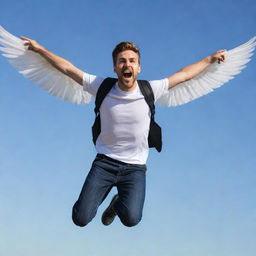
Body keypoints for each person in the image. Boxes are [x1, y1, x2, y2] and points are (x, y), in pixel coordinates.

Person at [18, 36, 225, 227]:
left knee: (131, 219)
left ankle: (117, 204)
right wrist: (39, 49)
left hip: (135, 168)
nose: (127, 64)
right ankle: (90, 203)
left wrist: (209, 59)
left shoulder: (151, 89)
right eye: (122, 61)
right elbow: (68, 69)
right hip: (105, 163)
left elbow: (184, 75)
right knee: (80, 219)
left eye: (132, 61)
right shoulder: (101, 87)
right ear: (115, 68)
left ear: (139, 68)